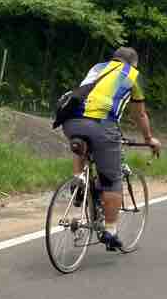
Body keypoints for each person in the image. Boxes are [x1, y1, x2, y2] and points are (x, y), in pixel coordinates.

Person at [57, 46, 160, 251]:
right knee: (112, 181)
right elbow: (139, 114)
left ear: (115, 58)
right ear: (134, 64)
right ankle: (110, 231)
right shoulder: (133, 75)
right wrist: (149, 138)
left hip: (70, 122)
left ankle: (79, 179)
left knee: (84, 144)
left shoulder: (98, 67)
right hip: (102, 125)